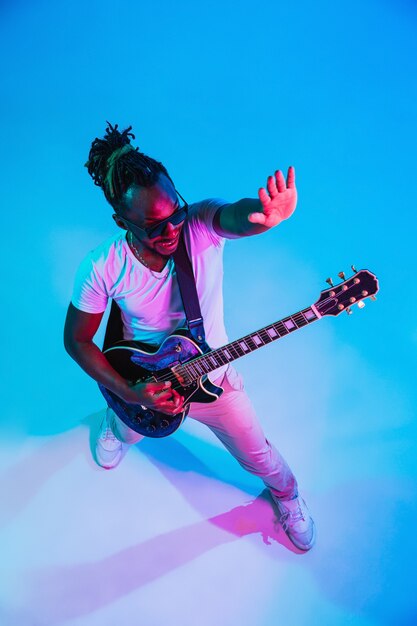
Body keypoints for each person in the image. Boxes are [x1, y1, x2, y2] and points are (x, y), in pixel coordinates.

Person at [64, 122, 316, 552]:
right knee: (127, 430)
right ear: (121, 220)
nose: (170, 231)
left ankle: (288, 498)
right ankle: (117, 420)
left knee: (261, 458)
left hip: (213, 380)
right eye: (152, 226)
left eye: (174, 212)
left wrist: (264, 217)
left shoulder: (198, 223)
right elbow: (77, 340)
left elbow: (236, 216)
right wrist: (131, 392)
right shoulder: (102, 266)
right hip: (144, 384)